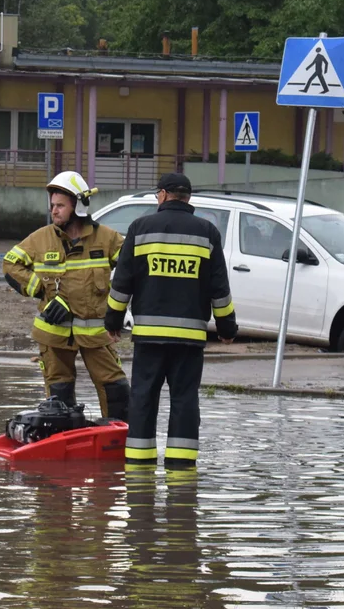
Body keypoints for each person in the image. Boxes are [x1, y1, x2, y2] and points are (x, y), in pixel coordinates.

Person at [104, 172, 237, 468]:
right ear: (187, 197)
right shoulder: (207, 232)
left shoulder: (140, 228)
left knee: (142, 400)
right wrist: (227, 328)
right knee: (185, 401)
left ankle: (139, 469)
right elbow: (220, 290)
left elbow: (122, 283)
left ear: (162, 195)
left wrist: (112, 321)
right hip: (189, 340)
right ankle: (181, 471)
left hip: (149, 338)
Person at [2, 171, 130, 420]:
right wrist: (41, 289)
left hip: (96, 337)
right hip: (53, 334)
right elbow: (10, 264)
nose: (54, 211)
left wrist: (119, 310)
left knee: (115, 390)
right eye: (52, 206)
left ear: (78, 205)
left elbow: (130, 270)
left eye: (60, 205)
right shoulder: (40, 239)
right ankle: (67, 442)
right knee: (59, 398)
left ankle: (117, 440)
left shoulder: (106, 239)